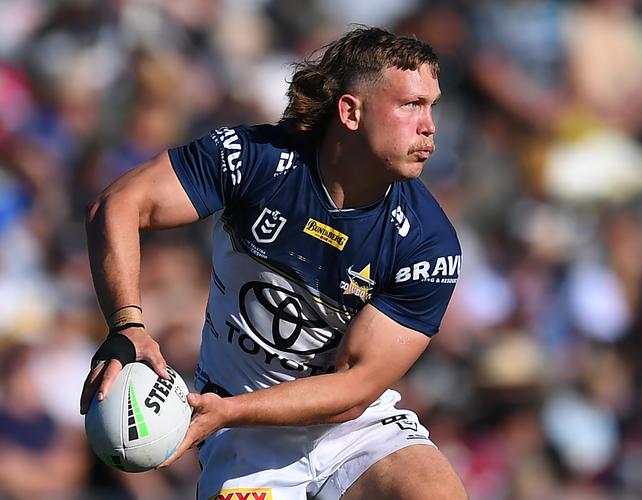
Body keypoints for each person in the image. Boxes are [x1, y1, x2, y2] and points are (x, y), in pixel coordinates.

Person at [80, 26, 467, 499]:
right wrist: (127, 326)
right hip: (244, 441)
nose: (429, 125)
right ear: (350, 111)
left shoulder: (428, 244)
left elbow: (353, 389)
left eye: (432, 106)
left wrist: (228, 411)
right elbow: (118, 205)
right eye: (411, 105)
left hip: (353, 430)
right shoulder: (256, 161)